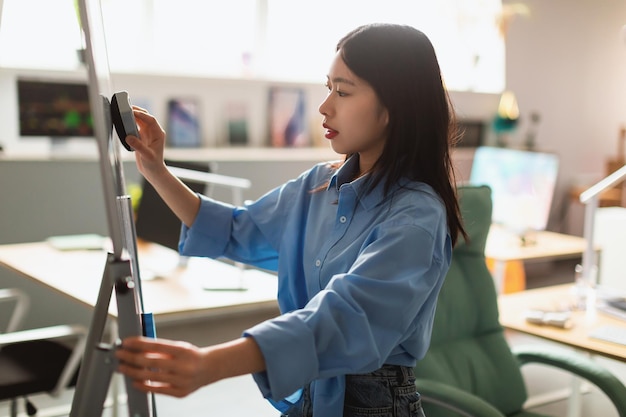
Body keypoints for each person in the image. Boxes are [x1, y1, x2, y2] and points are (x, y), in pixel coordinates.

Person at [116, 23, 467, 417]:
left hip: (375, 404)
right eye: (328, 87)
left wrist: (212, 364)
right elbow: (235, 230)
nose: (324, 106)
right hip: (310, 396)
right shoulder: (316, 185)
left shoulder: (417, 216)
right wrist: (157, 171)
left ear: (393, 108)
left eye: (343, 91)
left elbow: (345, 317)